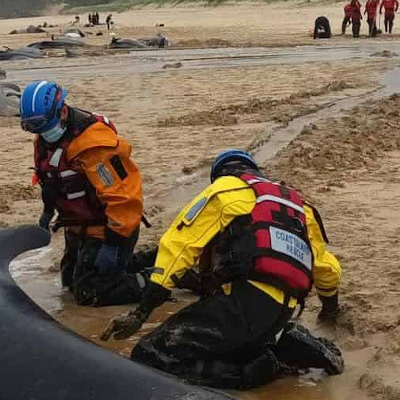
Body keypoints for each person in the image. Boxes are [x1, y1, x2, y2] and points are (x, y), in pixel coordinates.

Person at [102, 150, 343, 390]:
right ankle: (282, 342)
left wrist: (141, 313)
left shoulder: (224, 189)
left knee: (151, 355)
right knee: (232, 342)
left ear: (220, 174)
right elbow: (327, 268)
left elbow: (178, 245)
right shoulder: (300, 207)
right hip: (283, 310)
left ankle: (263, 368)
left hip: (243, 303)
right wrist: (330, 309)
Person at [21, 80, 148, 307]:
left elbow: (124, 197)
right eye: (31, 127)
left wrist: (113, 242)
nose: (38, 132)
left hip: (111, 226)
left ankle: (157, 281)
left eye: (42, 125)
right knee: (69, 284)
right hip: (78, 225)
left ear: (63, 111)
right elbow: (49, 180)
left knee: (91, 293)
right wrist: (47, 212)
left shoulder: (93, 146)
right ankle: (139, 262)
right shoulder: (44, 139)